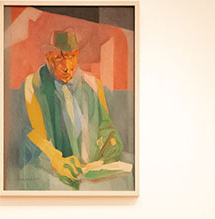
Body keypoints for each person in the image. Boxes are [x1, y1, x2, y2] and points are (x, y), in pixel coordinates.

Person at [17, 30, 131, 190]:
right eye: (59, 58)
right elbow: (34, 134)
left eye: (71, 57)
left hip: (91, 171)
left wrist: (109, 147)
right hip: (55, 172)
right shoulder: (34, 84)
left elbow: (106, 128)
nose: (67, 67)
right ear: (49, 57)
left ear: (77, 54)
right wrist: (55, 159)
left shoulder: (93, 85)